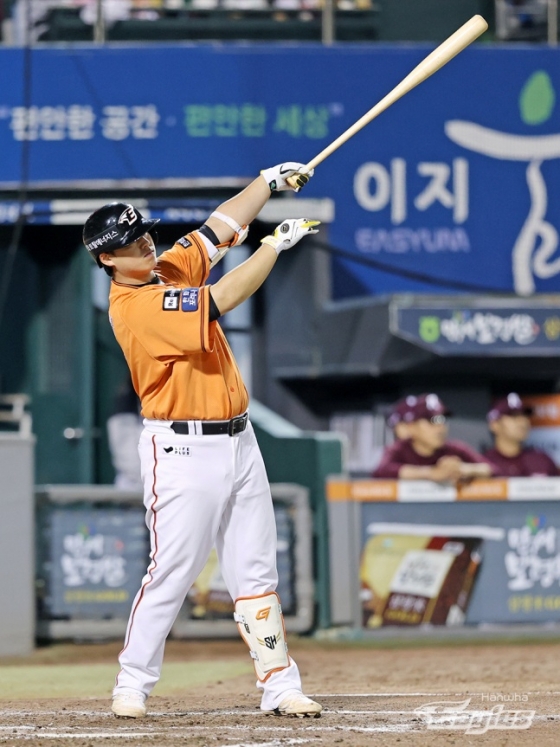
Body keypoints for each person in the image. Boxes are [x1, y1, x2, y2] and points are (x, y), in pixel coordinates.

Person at [82, 161, 322, 720]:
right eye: (131, 243)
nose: (145, 244)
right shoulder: (135, 307)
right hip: (182, 449)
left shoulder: (166, 269)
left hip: (239, 439)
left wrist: (267, 183)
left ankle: (280, 684)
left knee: (256, 570)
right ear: (107, 259)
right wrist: (273, 247)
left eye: (145, 234)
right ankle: (133, 682)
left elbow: (219, 226)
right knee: (172, 570)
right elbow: (221, 298)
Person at [373, 393, 494, 483]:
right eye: (431, 421)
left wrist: (463, 469)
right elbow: (382, 471)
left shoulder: (454, 449)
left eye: (442, 420)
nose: (440, 428)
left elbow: (493, 470)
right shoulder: (400, 449)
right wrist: (430, 473)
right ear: (412, 426)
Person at [483, 392, 559, 477]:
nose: (522, 421)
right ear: (494, 424)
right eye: (514, 416)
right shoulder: (483, 463)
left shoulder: (542, 461)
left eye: (524, 415)